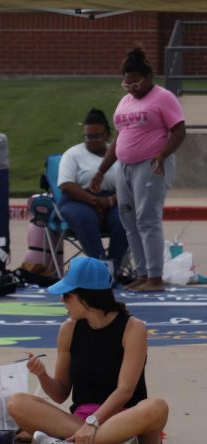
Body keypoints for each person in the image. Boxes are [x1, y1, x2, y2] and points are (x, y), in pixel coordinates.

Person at [6, 256, 168, 444]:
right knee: (17, 403)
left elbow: (125, 390)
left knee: (157, 407)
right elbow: (60, 393)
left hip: (128, 419)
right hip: (80, 424)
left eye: (66, 295)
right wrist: (42, 375)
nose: (61, 301)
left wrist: (93, 423)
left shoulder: (133, 328)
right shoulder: (68, 330)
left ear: (85, 296)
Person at [90, 46, 186, 292]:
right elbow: (120, 138)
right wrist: (102, 171)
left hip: (151, 164)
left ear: (148, 77)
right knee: (129, 220)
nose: (132, 89)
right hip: (125, 166)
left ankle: (155, 276)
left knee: (147, 218)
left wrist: (163, 154)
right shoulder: (125, 102)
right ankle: (141, 272)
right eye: (127, 84)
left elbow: (179, 130)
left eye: (136, 84)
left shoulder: (163, 97)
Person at [57, 108, 127, 272]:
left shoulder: (120, 154)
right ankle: (101, 266)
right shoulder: (72, 154)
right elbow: (66, 185)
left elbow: (129, 185)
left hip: (114, 200)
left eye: (97, 136)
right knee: (84, 218)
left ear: (106, 135)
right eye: (88, 136)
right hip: (78, 199)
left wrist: (109, 201)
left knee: (124, 219)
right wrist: (95, 202)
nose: (92, 140)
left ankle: (113, 269)